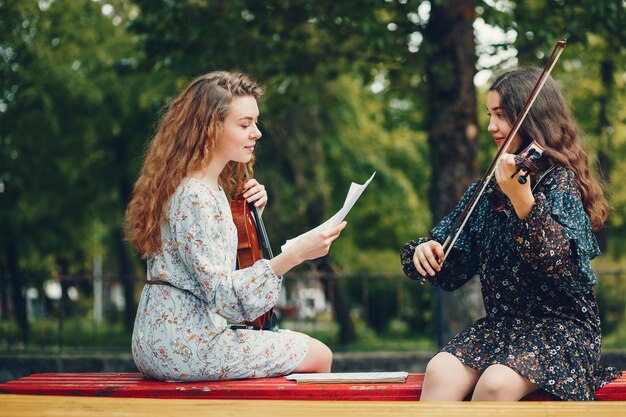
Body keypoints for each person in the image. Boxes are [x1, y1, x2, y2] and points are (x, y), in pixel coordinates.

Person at [400, 67, 621, 401]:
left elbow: (559, 266)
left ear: (531, 119)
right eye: (490, 115)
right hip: (504, 326)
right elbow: (453, 271)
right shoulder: (486, 192)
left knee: (495, 384)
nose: (492, 126)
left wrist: (523, 201)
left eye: (502, 116)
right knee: (440, 370)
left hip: (562, 329)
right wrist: (425, 251)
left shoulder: (560, 184)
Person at [125, 71, 347, 382]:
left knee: (308, 352)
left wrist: (248, 214)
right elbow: (225, 298)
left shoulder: (206, 188)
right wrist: (294, 255)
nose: (256, 133)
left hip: (171, 338)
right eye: (244, 125)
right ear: (210, 128)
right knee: (319, 356)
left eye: (255, 123)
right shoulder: (195, 195)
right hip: (186, 345)